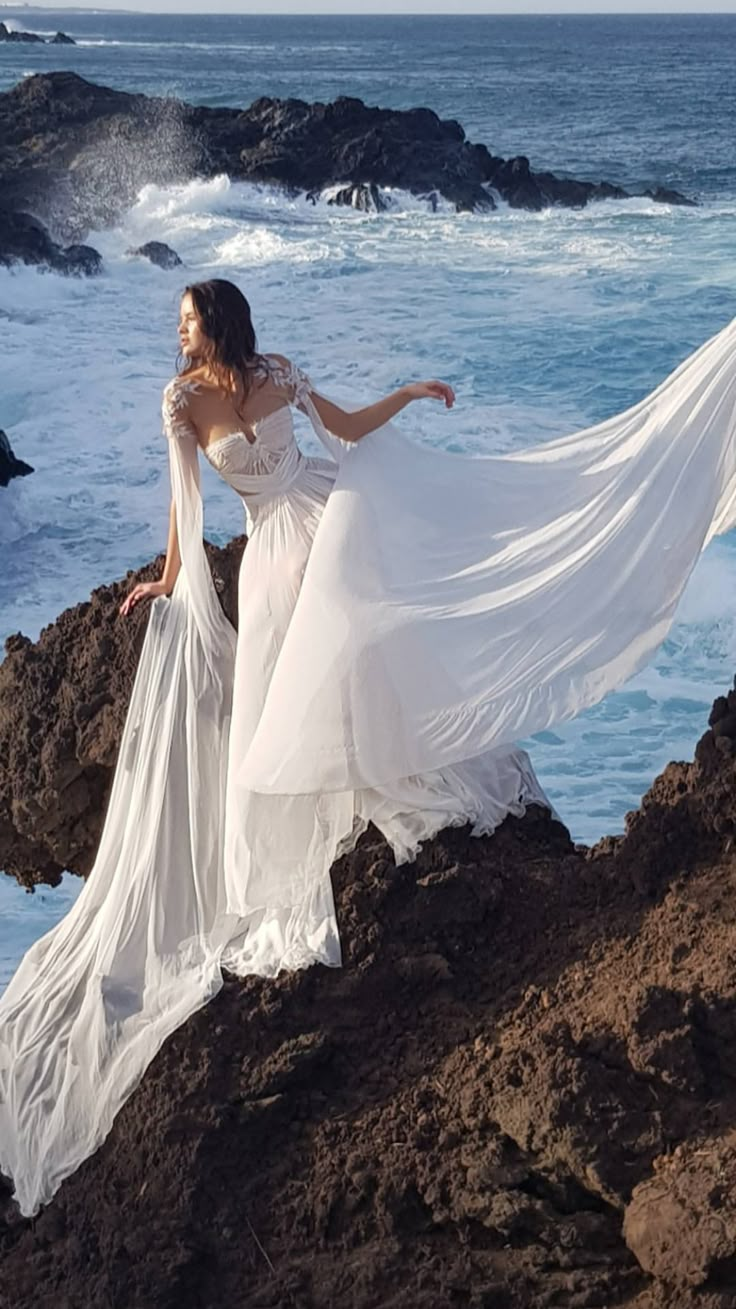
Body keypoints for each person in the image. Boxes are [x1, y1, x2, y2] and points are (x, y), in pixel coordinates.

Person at [1, 277, 736, 1221]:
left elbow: (345, 430)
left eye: (186, 319)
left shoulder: (272, 371)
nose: (176, 332)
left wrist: (412, 396)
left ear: (214, 323)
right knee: (294, 705)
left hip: (329, 521)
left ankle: (387, 779)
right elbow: (183, 506)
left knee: (355, 664)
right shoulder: (182, 401)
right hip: (269, 553)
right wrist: (171, 582)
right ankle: (345, 798)